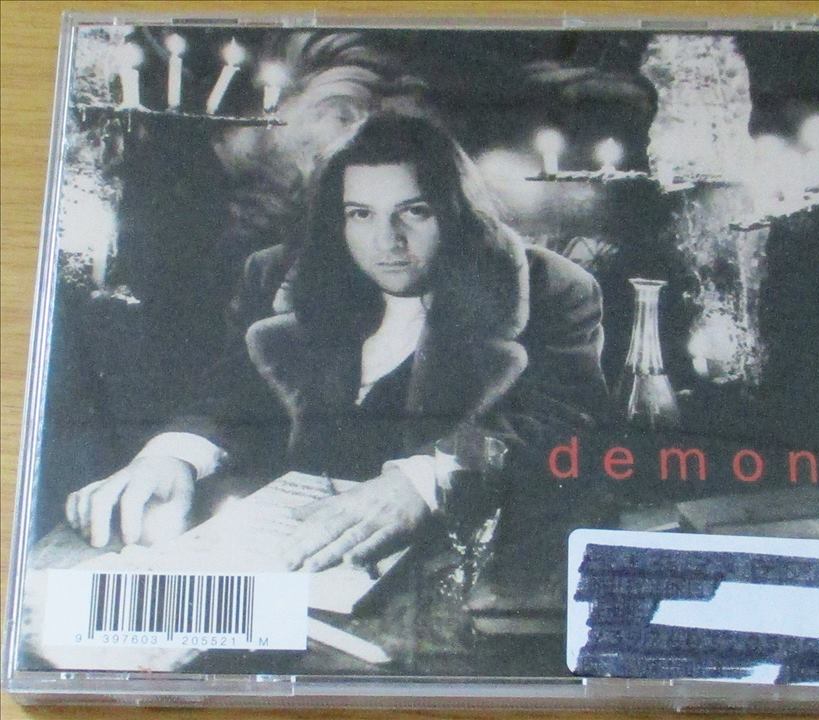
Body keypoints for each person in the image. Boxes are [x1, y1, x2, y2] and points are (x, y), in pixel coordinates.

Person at [65, 112, 608, 572]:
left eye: (415, 211)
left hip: (454, 565)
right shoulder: (275, 276)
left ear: (456, 211)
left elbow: (562, 423)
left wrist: (425, 482)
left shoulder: (553, 288)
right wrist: (172, 457)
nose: (387, 241)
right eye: (360, 214)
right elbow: (228, 395)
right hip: (288, 558)